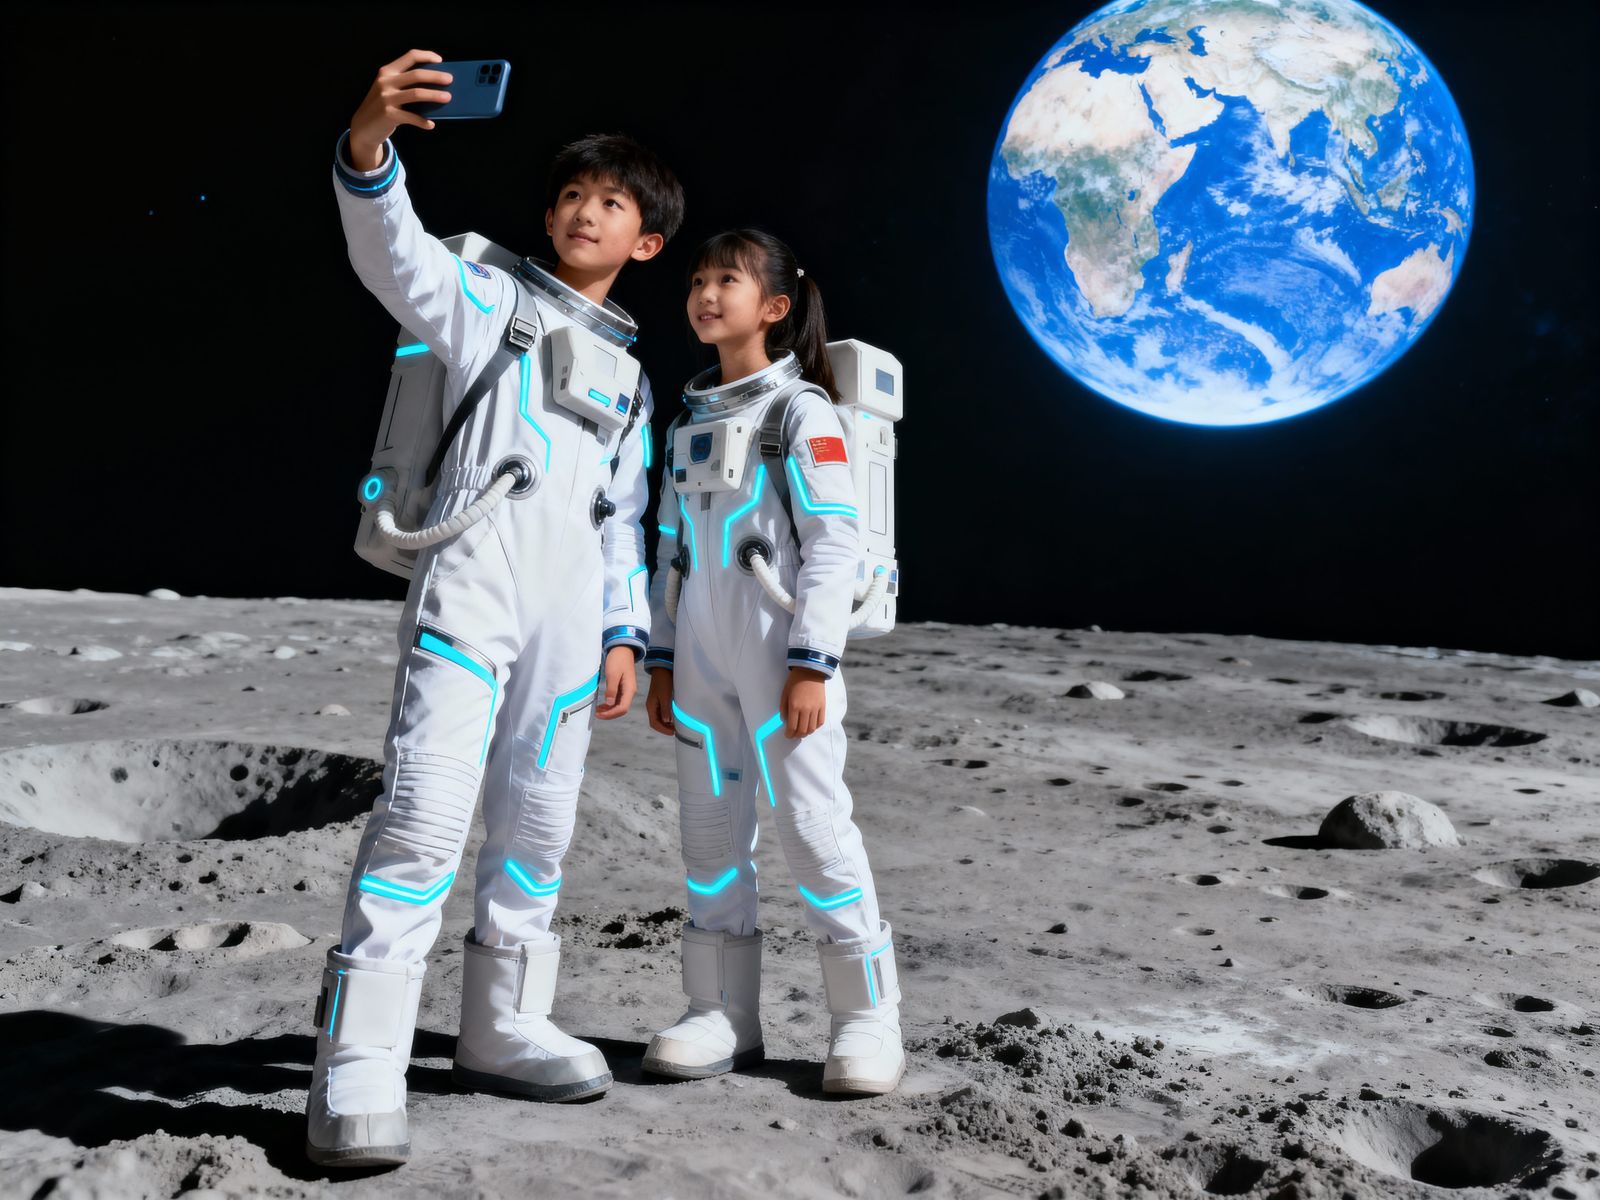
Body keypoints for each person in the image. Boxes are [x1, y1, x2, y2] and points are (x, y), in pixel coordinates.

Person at [308, 49, 684, 1168]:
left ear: (645, 242)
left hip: (569, 610)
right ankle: (360, 1061)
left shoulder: (631, 379)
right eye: (570, 194)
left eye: (610, 203)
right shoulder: (490, 302)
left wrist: (625, 631)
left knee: (539, 818)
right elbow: (395, 257)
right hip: (471, 580)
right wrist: (369, 146)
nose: (583, 211)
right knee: (425, 809)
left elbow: (624, 513)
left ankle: (500, 1022)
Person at [640, 230, 904, 1096]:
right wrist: (667, 660)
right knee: (711, 835)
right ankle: (722, 1014)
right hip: (706, 660)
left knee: (812, 826)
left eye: (729, 282)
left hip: (782, 653)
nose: (707, 295)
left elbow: (833, 547)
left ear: (776, 308)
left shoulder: (802, 414)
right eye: (698, 281)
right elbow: (669, 554)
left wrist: (811, 663)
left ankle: (866, 1019)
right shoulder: (689, 424)